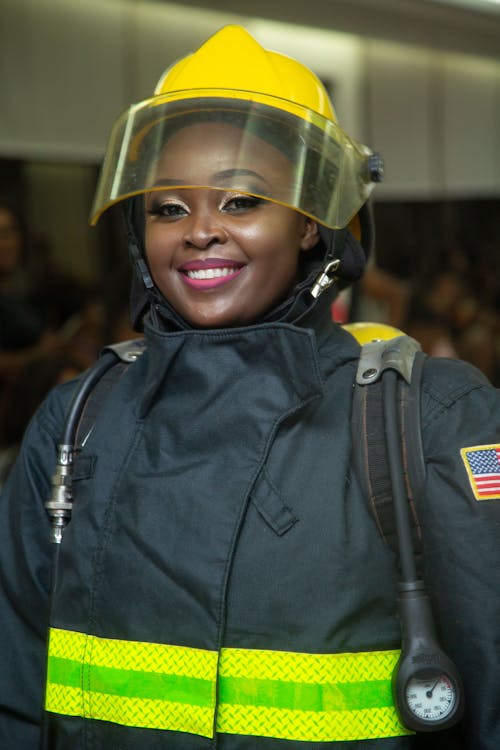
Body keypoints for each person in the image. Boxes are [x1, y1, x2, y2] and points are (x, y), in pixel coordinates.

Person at [0, 25, 499, 750]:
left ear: (309, 224)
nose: (200, 231)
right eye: (169, 207)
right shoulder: (77, 420)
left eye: (240, 202)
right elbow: (14, 687)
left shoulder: (429, 416)